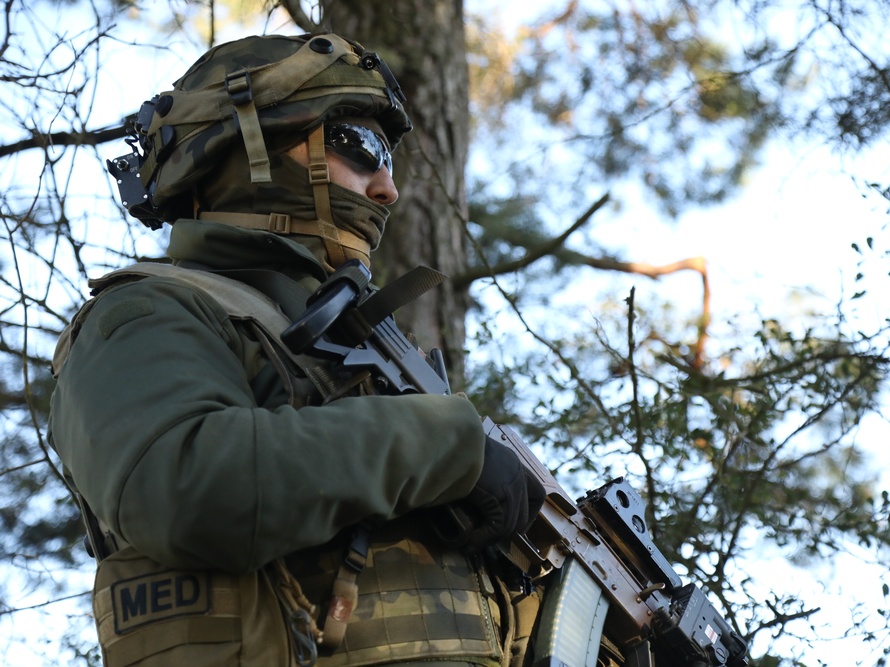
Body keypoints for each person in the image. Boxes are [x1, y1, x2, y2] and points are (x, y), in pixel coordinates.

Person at [48, 32, 545, 667]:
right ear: (250, 148)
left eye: (389, 159)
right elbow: (186, 487)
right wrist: (446, 444)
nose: (387, 189)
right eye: (362, 148)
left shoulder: (336, 342)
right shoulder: (146, 313)